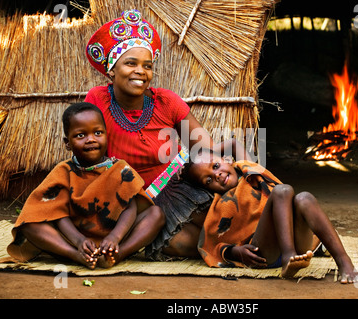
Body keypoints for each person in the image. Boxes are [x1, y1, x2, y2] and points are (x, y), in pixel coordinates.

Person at [84, 9, 246, 260]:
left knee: (217, 219)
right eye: (131, 63)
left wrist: (234, 157)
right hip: (137, 203)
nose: (141, 71)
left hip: (181, 186)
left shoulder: (167, 102)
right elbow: (90, 154)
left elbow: (205, 149)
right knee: (182, 243)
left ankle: (271, 239)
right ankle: (242, 249)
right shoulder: (98, 100)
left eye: (147, 66)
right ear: (111, 71)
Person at [6, 102, 165, 269]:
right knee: (29, 222)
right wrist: (79, 241)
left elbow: (130, 208)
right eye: (81, 135)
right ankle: (77, 256)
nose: (91, 139)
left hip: (115, 237)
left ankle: (116, 255)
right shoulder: (63, 171)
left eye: (98, 133)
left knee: (156, 214)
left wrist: (115, 238)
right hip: (72, 239)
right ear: (67, 143)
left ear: (106, 135)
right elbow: (57, 213)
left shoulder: (120, 168)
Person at [180, 148, 358, 283]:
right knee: (283, 192)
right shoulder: (220, 205)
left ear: (227, 159)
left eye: (216, 165)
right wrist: (235, 251)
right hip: (264, 252)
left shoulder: (250, 171)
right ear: (206, 189)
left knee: (304, 198)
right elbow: (212, 244)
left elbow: (234, 143)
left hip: (298, 245)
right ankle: (288, 258)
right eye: (209, 180)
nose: (217, 175)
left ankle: (345, 262)